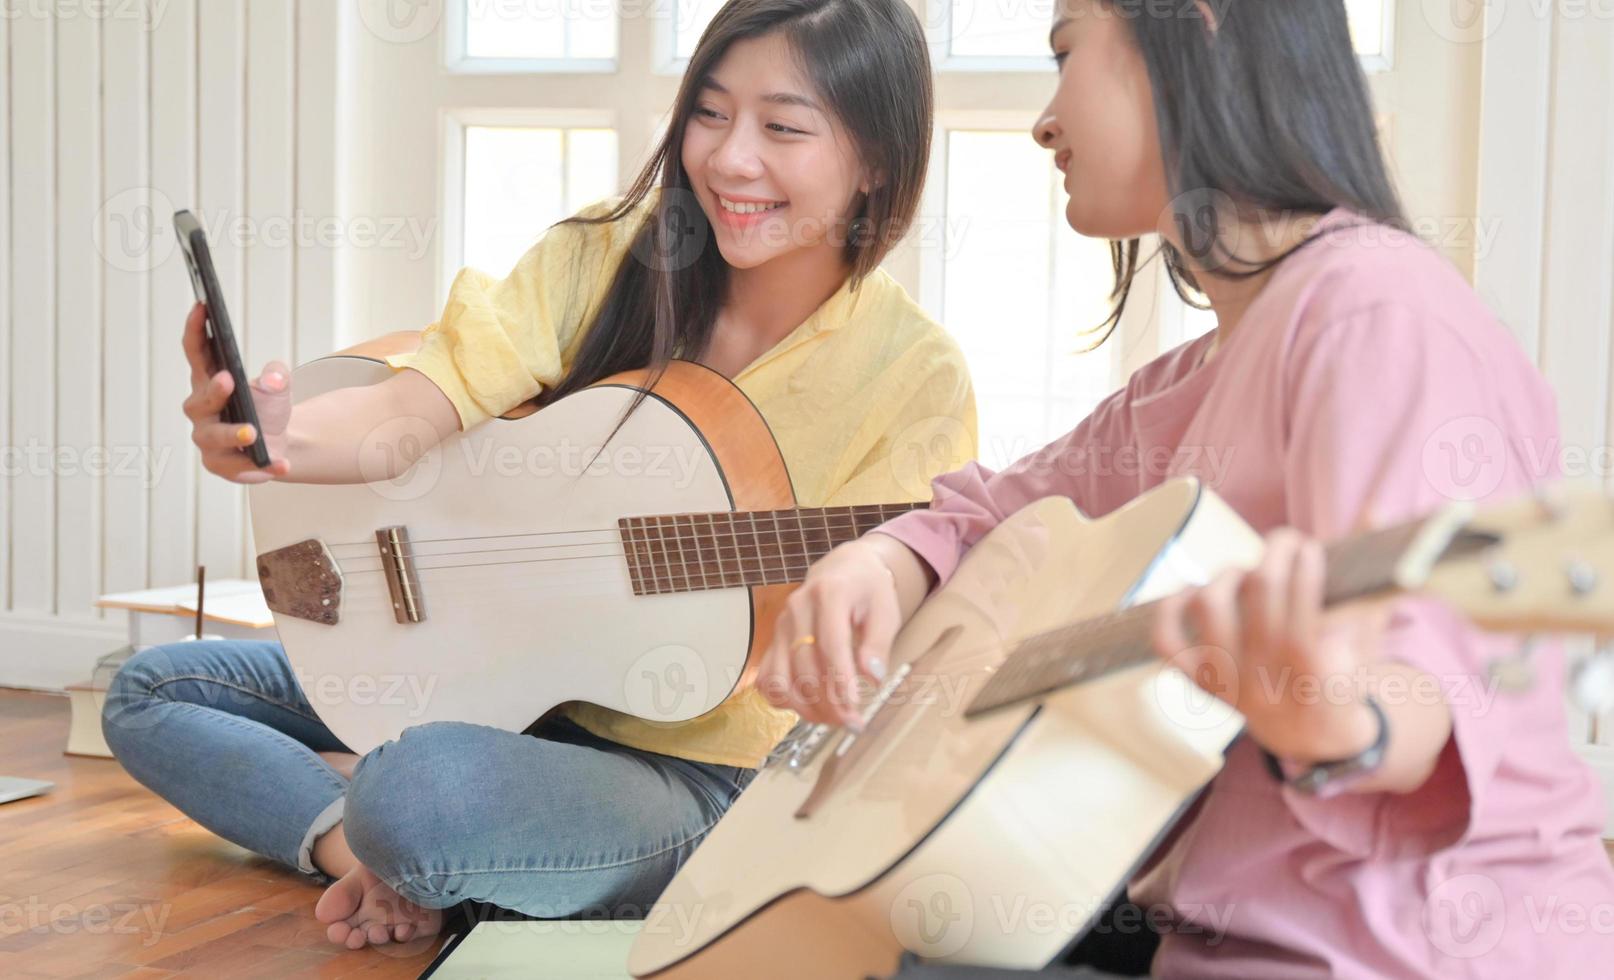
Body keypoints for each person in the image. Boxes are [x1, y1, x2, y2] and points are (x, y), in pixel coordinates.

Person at [759, 1, 1614, 976]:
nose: (1044, 119)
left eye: (1065, 49)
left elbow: (1419, 691)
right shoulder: (1189, 381)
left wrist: (1330, 718)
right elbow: (987, 511)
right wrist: (880, 559)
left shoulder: (1376, 313)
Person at [104, 0, 975, 954]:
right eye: (711, 112)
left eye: (783, 127)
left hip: (686, 775)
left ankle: (425, 843)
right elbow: (412, 408)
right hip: (491, 663)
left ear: (878, 159)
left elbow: (904, 630)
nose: (729, 159)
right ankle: (353, 854)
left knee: (416, 788)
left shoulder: (913, 373)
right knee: (151, 687)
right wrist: (277, 438)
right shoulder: (604, 256)